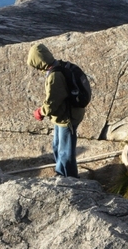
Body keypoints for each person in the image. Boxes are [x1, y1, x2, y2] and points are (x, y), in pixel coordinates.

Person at [27, 43, 85, 177]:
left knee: (65, 152)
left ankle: (69, 179)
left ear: (39, 61)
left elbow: (52, 103)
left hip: (67, 118)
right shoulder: (60, 65)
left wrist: (40, 112)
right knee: (57, 147)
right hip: (62, 117)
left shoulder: (55, 76)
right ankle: (62, 174)